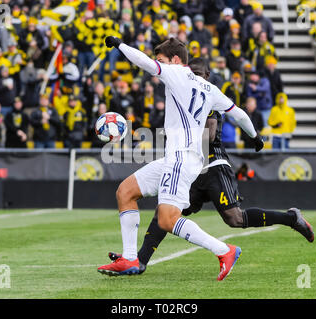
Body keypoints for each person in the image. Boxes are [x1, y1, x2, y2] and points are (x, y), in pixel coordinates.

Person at [107, 59, 314, 275]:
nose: (195, 76)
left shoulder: (207, 98)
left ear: (207, 76)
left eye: (199, 73)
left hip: (213, 165)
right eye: (191, 72)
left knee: (235, 219)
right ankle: (139, 261)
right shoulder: (184, 96)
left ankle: (290, 218)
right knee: (165, 212)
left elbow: (211, 134)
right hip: (192, 168)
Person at [98, 37, 264, 281]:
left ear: (176, 61)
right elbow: (238, 114)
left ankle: (224, 250)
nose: (159, 64)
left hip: (181, 159)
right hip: (175, 158)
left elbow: (143, 62)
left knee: (166, 219)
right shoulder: (209, 89)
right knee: (126, 191)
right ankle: (130, 258)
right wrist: (255, 136)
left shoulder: (176, 73)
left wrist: (120, 44)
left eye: (162, 60)